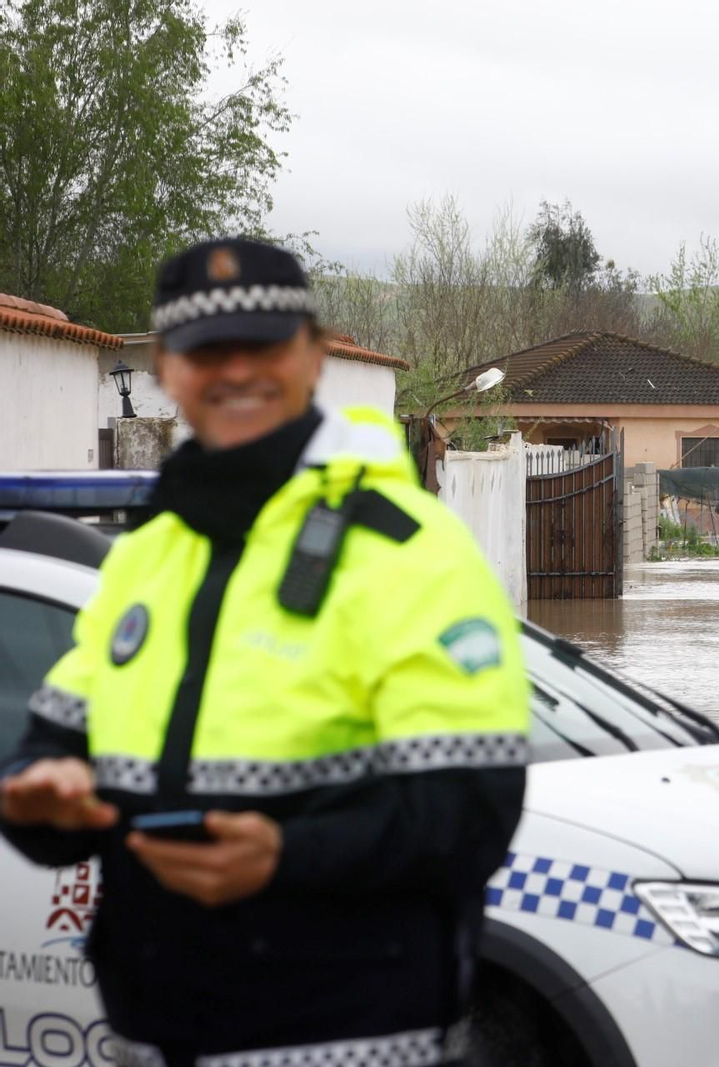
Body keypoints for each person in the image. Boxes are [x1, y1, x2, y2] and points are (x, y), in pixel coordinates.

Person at [0, 237, 530, 1067]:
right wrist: (40, 796)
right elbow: (54, 743)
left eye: (264, 345)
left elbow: (472, 809)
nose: (235, 370)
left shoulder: (407, 546)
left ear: (314, 357)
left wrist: (284, 857)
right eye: (207, 350)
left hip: (350, 1038)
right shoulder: (149, 552)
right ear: (168, 369)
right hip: (155, 1033)